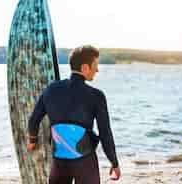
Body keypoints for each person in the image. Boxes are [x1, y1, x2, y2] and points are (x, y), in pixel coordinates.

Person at [27, 45, 121, 184]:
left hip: (60, 161)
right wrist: (114, 163)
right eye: (95, 65)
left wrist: (32, 140)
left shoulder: (51, 89)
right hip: (85, 163)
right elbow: (105, 134)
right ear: (85, 68)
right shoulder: (96, 96)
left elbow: (34, 120)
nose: (97, 70)